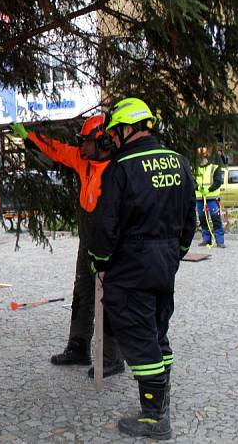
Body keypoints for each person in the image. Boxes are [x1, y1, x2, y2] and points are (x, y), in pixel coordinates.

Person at [87, 98, 197, 440]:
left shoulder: (122, 167)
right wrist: (175, 254)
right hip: (165, 264)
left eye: (114, 132)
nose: (113, 140)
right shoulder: (179, 162)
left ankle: (153, 418)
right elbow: (189, 220)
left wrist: (99, 262)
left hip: (131, 266)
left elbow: (106, 224)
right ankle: (160, 402)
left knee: (139, 339)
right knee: (157, 333)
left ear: (127, 128)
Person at [10, 115, 124, 378]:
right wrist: (29, 136)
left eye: (86, 142)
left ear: (103, 140)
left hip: (112, 244)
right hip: (89, 240)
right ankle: (79, 346)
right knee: (82, 292)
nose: (81, 148)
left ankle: (112, 357)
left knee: (110, 299)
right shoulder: (84, 161)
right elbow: (58, 150)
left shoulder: (120, 168)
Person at [194, 148, 225, 248]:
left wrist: (209, 189)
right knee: (203, 219)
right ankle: (206, 240)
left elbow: (218, 181)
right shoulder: (195, 168)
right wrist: (198, 187)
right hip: (200, 198)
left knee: (216, 219)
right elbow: (192, 181)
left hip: (212, 198)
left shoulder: (214, 168)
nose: (202, 159)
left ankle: (220, 241)